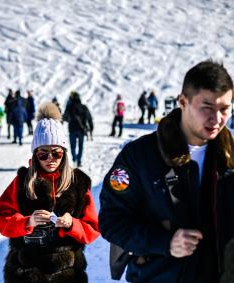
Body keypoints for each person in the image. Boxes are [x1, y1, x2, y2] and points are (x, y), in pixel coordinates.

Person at [99, 60, 234, 283]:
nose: (217, 119)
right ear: (183, 101)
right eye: (207, 107)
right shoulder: (139, 156)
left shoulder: (230, 159)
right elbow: (112, 222)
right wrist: (165, 242)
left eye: (225, 109)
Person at [0, 102, 100, 283]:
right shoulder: (23, 181)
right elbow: (2, 219)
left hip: (67, 274)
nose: (50, 159)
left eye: (56, 153)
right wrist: (27, 221)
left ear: (64, 153)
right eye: (43, 153)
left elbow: (92, 230)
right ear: (35, 154)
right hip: (26, 273)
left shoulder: (78, 183)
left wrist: (71, 224)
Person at [63, 91, 94, 167]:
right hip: (81, 130)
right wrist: (91, 128)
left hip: (72, 129)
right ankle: (79, 161)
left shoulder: (69, 107)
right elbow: (89, 118)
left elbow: (65, 118)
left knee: (73, 146)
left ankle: (74, 159)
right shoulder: (84, 107)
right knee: (80, 146)